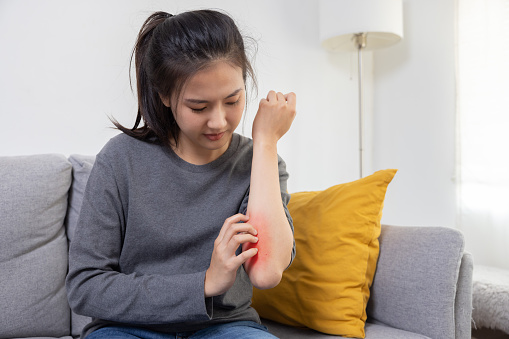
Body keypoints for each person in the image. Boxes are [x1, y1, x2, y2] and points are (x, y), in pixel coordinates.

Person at [66, 9, 296, 339]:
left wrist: (266, 142)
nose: (218, 121)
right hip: (128, 329)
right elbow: (85, 287)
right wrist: (203, 284)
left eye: (232, 100)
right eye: (199, 107)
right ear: (165, 97)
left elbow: (267, 273)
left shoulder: (259, 162)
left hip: (225, 327)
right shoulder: (120, 160)